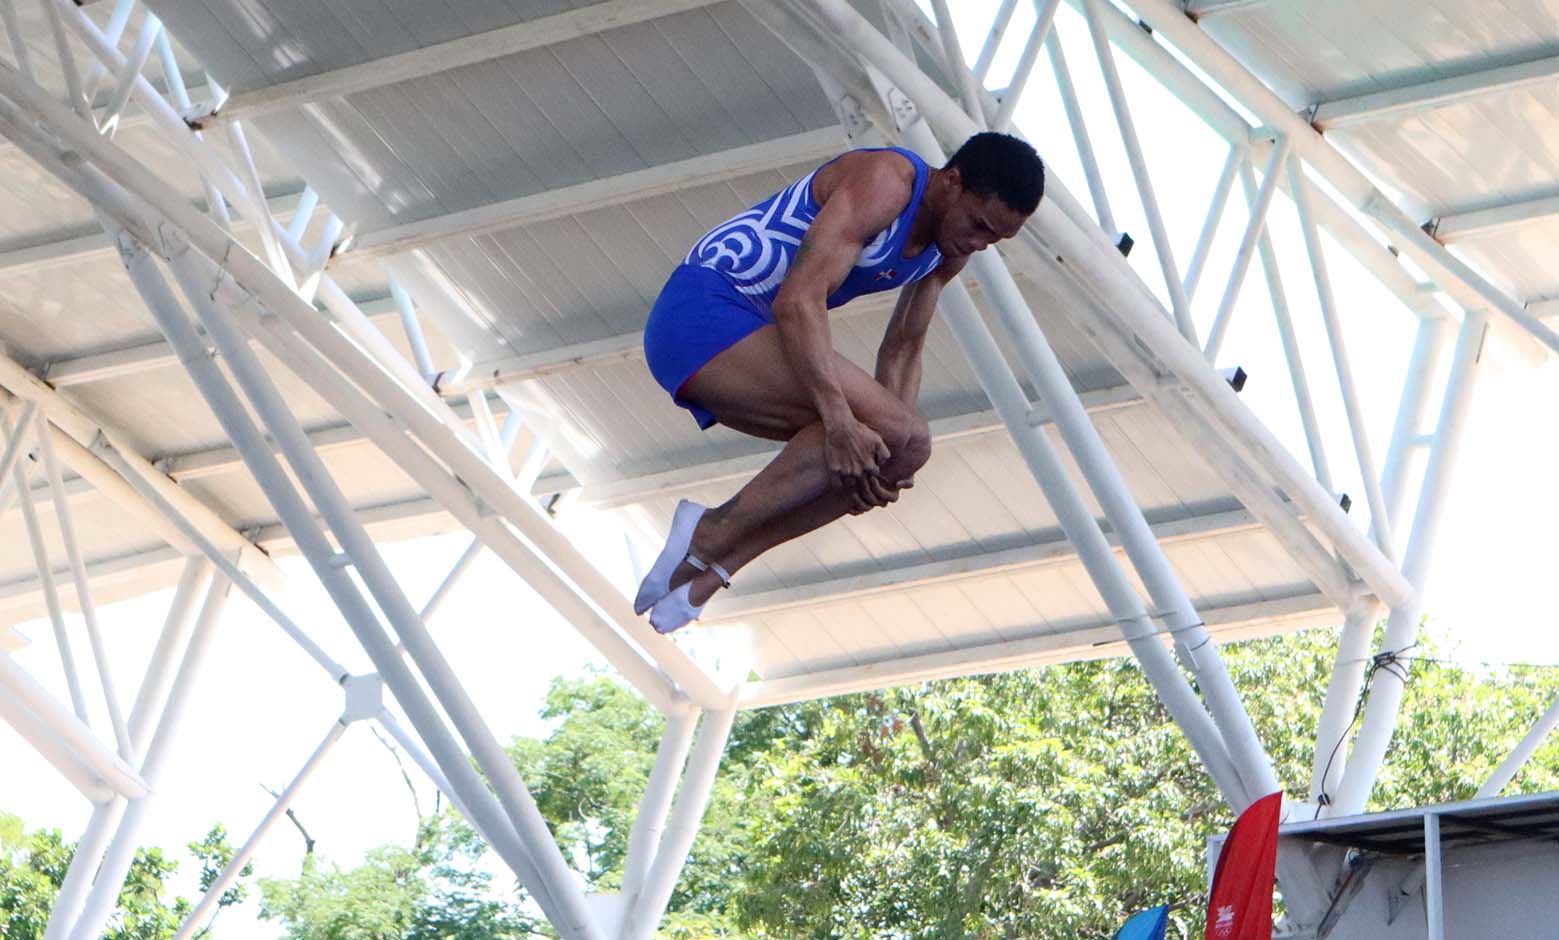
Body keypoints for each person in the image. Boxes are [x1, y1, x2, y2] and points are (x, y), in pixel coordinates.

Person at [634, 131, 1045, 634]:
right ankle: (709, 531)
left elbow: (904, 347)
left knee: (902, 448)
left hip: (750, 335)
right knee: (889, 433)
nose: (978, 243)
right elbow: (797, 301)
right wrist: (841, 421)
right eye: (978, 225)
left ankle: (718, 567)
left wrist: (888, 456)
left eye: (994, 240)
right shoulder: (887, 182)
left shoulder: (950, 248)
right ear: (952, 181)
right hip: (703, 314)